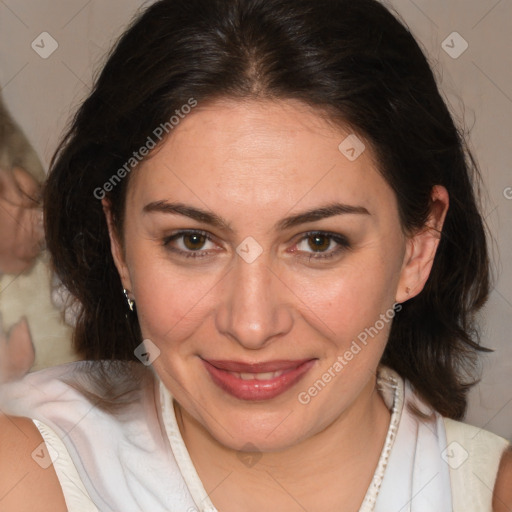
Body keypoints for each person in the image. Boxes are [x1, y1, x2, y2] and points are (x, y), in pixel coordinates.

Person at [0, 0, 511, 510]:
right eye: (193, 241)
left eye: (318, 242)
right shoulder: (24, 468)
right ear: (119, 243)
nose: (251, 325)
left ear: (418, 247)